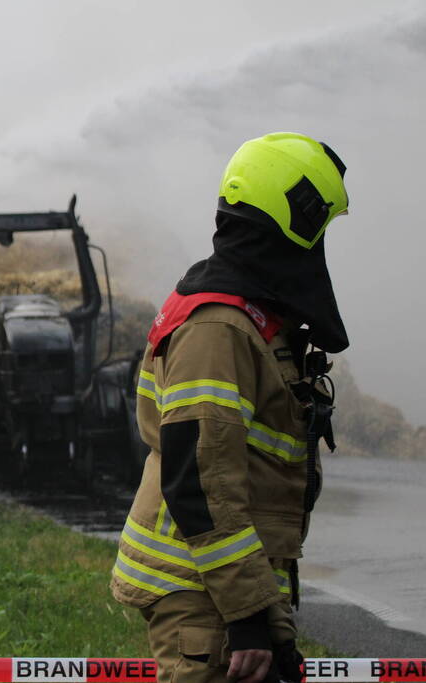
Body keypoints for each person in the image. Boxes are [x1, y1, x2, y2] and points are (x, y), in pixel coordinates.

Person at [110, 132, 349, 683]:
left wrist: (269, 617)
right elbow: (202, 483)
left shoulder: (250, 318)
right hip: (203, 594)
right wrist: (246, 617)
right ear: (292, 222)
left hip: (226, 584)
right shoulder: (217, 328)